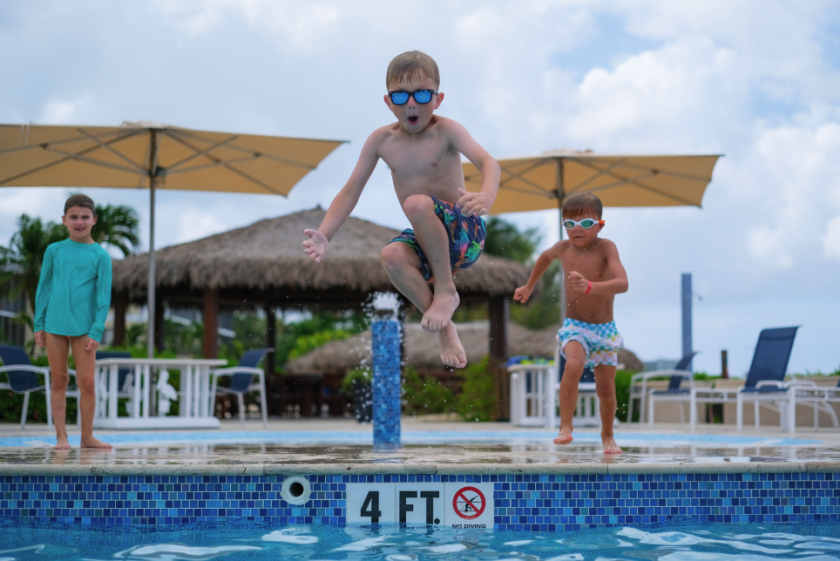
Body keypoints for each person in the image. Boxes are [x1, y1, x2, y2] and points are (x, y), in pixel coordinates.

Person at [303, 51, 500, 368]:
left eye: (422, 94)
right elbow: (350, 191)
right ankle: (444, 326)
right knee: (390, 256)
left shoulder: (447, 131)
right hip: (427, 240)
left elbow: (488, 161)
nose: (412, 103)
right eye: (401, 95)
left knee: (415, 203)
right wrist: (325, 234)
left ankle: (446, 290)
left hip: (465, 235)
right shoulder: (381, 141)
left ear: (438, 99)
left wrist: (487, 195)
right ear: (388, 101)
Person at [513, 192, 628, 454]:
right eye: (570, 224)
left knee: (606, 389)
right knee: (573, 363)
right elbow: (543, 258)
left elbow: (623, 283)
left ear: (599, 224)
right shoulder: (562, 249)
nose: (577, 229)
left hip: (605, 330)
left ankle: (608, 436)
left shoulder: (607, 248)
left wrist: (590, 286)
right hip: (575, 325)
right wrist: (529, 286)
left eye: (586, 223)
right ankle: (566, 426)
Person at [34, 194, 112, 450]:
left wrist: (97, 329)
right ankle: (61, 438)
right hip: (54, 325)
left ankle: (87, 437)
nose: (79, 222)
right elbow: (44, 287)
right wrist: (39, 323)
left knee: (87, 383)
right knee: (59, 380)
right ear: (64, 220)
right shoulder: (54, 250)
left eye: (84, 217)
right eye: (74, 217)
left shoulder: (100, 255)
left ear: (94, 220)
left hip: (85, 329)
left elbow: (103, 296)